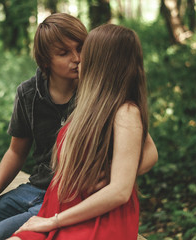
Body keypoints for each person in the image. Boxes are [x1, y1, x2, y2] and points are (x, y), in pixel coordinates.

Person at [0, 14, 157, 240]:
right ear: (45, 61)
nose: (76, 58)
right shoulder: (29, 93)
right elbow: (16, 151)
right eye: (64, 53)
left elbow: (147, 151)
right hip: (36, 187)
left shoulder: (98, 94)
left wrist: (111, 172)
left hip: (73, 194)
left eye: (80, 49)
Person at [9, 23, 149, 240]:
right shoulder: (86, 103)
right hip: (60, 208)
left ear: (100, 63)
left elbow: (121, 190)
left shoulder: (125, 112)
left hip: (93, 219)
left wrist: (53, 220)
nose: (77, 59)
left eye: (84, 52)